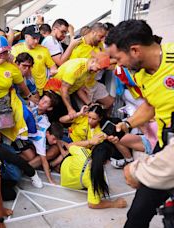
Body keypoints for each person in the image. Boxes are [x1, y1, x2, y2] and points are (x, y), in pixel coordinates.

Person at [105, 19, 174, 228]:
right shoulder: (141, 75)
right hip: (163, 147)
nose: (118, 65)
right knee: (137, 214)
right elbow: (150, 105)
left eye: (118, 58)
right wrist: (126, 124)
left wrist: (137, 170)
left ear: (134, 50)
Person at [44, 52, 111, 120]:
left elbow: (79, 88)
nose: (98, 72)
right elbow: (63, 89)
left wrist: (89, 104)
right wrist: (70, 109)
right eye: (98, 68)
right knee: (60, 118)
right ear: (93, 61)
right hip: (53, 92)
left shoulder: (90, 70)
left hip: (67, 93)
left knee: (77, 116)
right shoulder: (77, 68)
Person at [60, 142, 128, 209]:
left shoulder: (83, 152)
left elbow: (69, 145)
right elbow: (93, 204)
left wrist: (89, 141)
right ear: (107, 162)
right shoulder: (96, 178)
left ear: (93, 150)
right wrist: (114, 204)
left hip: (64, 169)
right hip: (70, 183)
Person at [11, 25, 57, 96]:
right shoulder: (16, 49)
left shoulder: (44, 50)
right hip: (23, 90)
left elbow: (52, 67)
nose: (36, 41)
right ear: (26, 37)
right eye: (34, 38)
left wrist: (52, 72)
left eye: (38, 38)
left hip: (41, 90)